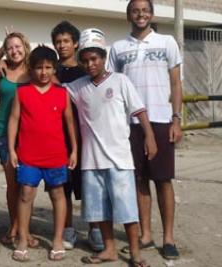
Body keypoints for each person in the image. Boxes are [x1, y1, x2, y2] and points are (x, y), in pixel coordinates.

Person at [67, 28, 156, 267]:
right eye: (84, 60)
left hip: (119, 159)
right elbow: (52, 85)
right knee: (99, 210)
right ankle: (109, 249)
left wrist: (150, 136)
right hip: (91, 160)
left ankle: (136, 252)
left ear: (103, 58)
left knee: (127, 210)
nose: (89, 64)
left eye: (94, 59)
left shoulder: (120, 81)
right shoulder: (77, 87)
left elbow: (139, 111)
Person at [108, 0, 183, 259]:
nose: (140, 14)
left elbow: (175, 83)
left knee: (163, 180)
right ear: (128, 14)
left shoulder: (167, 42)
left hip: (161, 120)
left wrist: (176, 119)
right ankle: (146, 235)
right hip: (130, 125)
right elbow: (114, 86)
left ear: (151, 14)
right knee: (139, 180)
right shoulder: (117, 48)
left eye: (145, 10)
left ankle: (169, 238)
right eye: (135, 10)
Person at [8, 45, 77, 262]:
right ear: (31, 68)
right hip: (28, 154)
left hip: (56, 155)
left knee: (58, 195)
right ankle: (22, 239)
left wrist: (74, 149)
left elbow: (69, 122)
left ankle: (57, 240)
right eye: (39, 67)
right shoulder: (22, 92)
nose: (44, 72)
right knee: (26, 194)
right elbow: (14, 120)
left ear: (54, 68)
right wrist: (11, 149)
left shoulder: (62, 93)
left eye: (48, 67)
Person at [51, 20, 104, 252]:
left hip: (86, 136)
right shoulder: (50, 69)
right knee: (63, 185)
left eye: (66, 41)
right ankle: (69, 229)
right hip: (57, 136)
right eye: (57, 42)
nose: (61, 46)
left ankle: (95, 229)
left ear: (75, 43)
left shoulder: (87, 69)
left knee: (90, 184)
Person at [0, 32, 39, 247]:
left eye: (18, 46)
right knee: (12, 184)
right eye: (9, 48)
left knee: (27, 184)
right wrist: (0, 55)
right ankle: (15, 227)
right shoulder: (0, 71)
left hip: (30, 134)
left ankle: (23, 229)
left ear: (25, 47)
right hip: (3, 134)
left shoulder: (35, 70)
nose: (14, 51)